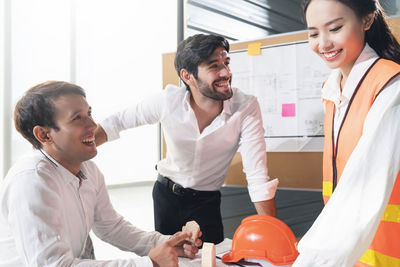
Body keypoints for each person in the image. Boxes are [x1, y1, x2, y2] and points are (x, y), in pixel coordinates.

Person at [95, 34, 279, 244]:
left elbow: (256, 175)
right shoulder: (168, 101)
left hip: (206, 202)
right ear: (187, 75)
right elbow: (117, 121)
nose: (226, 73)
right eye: (214, 66)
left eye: (226, 63)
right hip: (166, 196)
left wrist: (273, 235)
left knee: (210, 259)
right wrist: (74, 153)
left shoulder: (246, 107)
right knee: (170, 259)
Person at [0, 81, 201, 267]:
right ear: (44, 135)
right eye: (77, 118)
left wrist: (166, 243)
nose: (93, 126)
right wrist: (149, 263)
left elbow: (111, 227)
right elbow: (54, 265)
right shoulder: (31, 180)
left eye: (89, 113)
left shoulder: (88, 169)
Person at [293, 0, 400, 266]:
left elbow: (365, 183)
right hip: (352, 253)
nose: (323, 43)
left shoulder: (391, 86)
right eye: (314, 33)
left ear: (366, 20)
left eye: (335, 28)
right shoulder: (331, 90)